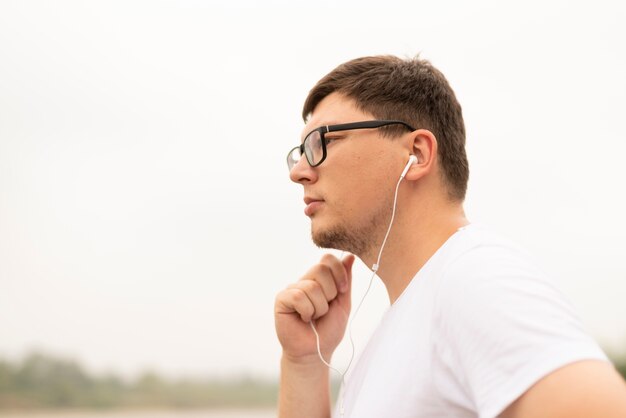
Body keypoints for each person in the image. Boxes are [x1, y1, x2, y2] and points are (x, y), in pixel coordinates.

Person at [273, 55, 626, 418]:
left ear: (416, 153)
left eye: (320, 143)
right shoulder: (412, 317)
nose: (299, 171)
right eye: (300, 153)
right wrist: (304, 362)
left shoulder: (477, 279)